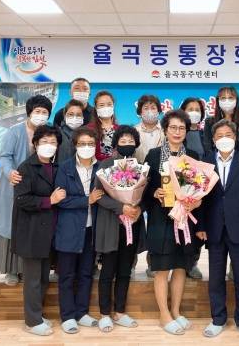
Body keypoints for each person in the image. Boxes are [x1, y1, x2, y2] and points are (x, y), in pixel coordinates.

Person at [196, 119, 239, 340]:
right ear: (213, 139)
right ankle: (218, 318)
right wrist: (201, 225)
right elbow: (201, 198)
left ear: (235, 138)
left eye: (228, 135)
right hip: (214, 228)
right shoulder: (205, 163)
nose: (224, 139)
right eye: (220, 136)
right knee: (215, 277)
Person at [144, 109, 202, 335]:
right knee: (162, 268)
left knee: (180, 267)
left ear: (186, 131)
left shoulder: (194, 155)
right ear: (165, 130)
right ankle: (164, 314)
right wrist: (154, 192)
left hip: (185, 218)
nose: (177, 132)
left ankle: (176, 311)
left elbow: (201, 188)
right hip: (161, 219)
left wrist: (195, 201)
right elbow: (144, 186)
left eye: (182, 128)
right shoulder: (153, 155)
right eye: (173, 127)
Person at [0, 94, 53, 286]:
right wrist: (10, 172)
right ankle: (11, 270)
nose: (41, 115)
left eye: (45, 112)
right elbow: (5, 156)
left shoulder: (49, 131)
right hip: (15, 184)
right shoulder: (15, 132)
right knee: (12, 225)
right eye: (37, 111)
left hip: (39, 188)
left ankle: (29, 269)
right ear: (29, 112)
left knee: (32, 227)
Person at [12, 125, 64, 336]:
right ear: (35, 144)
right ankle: (31, 322)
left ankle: (37, 315)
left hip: (49, 231)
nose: (49, 146)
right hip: (31, 231)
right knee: (33, 279)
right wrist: (49, 200)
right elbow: (21, 199)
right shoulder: (26, 167)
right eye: (44, 142)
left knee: (43, 278)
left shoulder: (57, 167)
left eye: (53, 142)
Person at [94, 125, 147, 333]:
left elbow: (146, 197)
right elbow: (99, 195)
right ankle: (104, 314)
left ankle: (120, 312)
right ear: (116, 144)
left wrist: (138, 208)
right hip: (111, 225)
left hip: (132, 225)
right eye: (123, 141)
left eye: (130, 141)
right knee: (107, 271)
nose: (127, 144)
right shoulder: (106, 165)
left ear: (136, 144)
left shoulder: (141, 167)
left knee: (125, 270)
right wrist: (121, 207)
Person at [54, 126, 103, 334]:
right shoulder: (64, 168)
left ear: (96, 145)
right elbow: (61, 200)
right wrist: (86, 200)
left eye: (90, 144)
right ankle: (67, 316)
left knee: (86, 273)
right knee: (66, 275)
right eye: (82, 144)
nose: (86, 147)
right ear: (75, 145)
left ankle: (82, 313)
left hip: (91, 229)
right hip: (69, 229)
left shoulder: (101, 168)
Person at [179, 96, 206, 279]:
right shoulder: (179, 133)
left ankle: (193, 262)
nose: (194, 112)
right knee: (182, 225)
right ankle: (180, 263)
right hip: (181, 185)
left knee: (198, 224)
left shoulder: (205, 134)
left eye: (197, 109)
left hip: (201, 186)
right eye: (190, 109)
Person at [202, 86, 239, 157]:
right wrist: (216, 160)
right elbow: (207, 146)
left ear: (236, 100)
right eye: (223, 98)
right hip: (214, 161)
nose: (227, 101)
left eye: (230, 98)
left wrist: (235, 161)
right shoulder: (210, 121)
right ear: (218, 101)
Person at [134, 94, 165, 163]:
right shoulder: (134, 131)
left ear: (158, 111)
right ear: (140, 112)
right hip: (139, 168)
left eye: (153, 108)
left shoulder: (165, 130)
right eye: (146, 108)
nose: (150, 111)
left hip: (160, 169)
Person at [88, 90, 119, 161]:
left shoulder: (119, 129)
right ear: (96, 108)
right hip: (97, 166)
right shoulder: (89, 129)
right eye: (102, 105)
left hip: (117, 166)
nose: (106, 108)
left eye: (109, 104)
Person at [57, 99, 86, 164]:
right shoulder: (56, 134)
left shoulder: (87, 136)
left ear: (83, 117)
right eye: (71, 114)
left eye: (78, 115)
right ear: (64, 116)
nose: (74, 118)